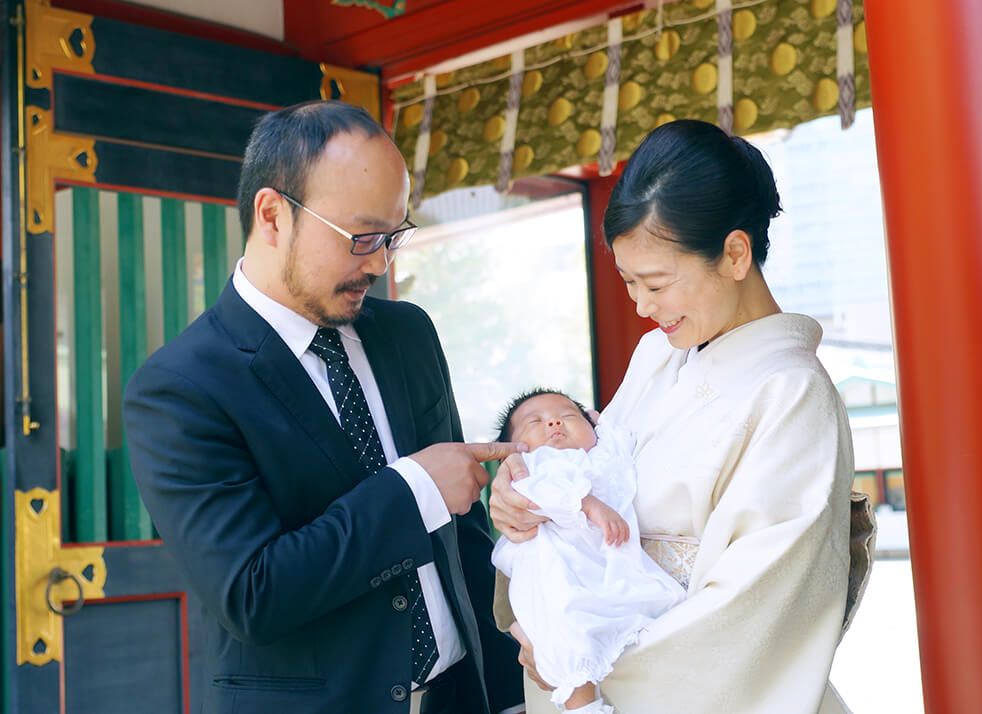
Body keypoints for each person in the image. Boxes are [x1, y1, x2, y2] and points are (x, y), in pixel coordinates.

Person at [124, 100, 524, 714]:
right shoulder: (179, 388)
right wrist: (412, 489)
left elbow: (463, 538)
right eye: (360, 237)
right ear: (272, 215)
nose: (379, 263)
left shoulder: (407, 333)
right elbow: (254, 594)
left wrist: (507, 692)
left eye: (393, 237)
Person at [490, 119, 863, 714]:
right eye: (629, 282)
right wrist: (521, 495)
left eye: (657, 283)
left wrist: (580, 664)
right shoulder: (657, 355)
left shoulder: (791, 395)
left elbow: (752, 614)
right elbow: (589, 472)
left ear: (735, 253)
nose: (641, 306)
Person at [491, 389, 686, 714]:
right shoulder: (535, 462)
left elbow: (621, 435)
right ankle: (583, 707)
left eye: (568, 415)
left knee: (630, 614)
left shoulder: (602, 452)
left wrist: (602, 424)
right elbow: (534, 492)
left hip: (603, 563)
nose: (554, 421)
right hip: (553, 564)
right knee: (568, 623)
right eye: (535, 421)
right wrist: (587, 504)